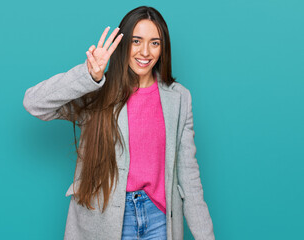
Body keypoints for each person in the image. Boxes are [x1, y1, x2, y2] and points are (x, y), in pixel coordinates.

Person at [23, 5, 215, 240]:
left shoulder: (179, 98)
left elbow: (190, 177)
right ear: (123, 43)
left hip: (158, 219)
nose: (145, 52)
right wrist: (89, 76)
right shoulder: (97, 90)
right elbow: (34, 103)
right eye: (137, 41)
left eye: (155, 43)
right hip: (103, 219)